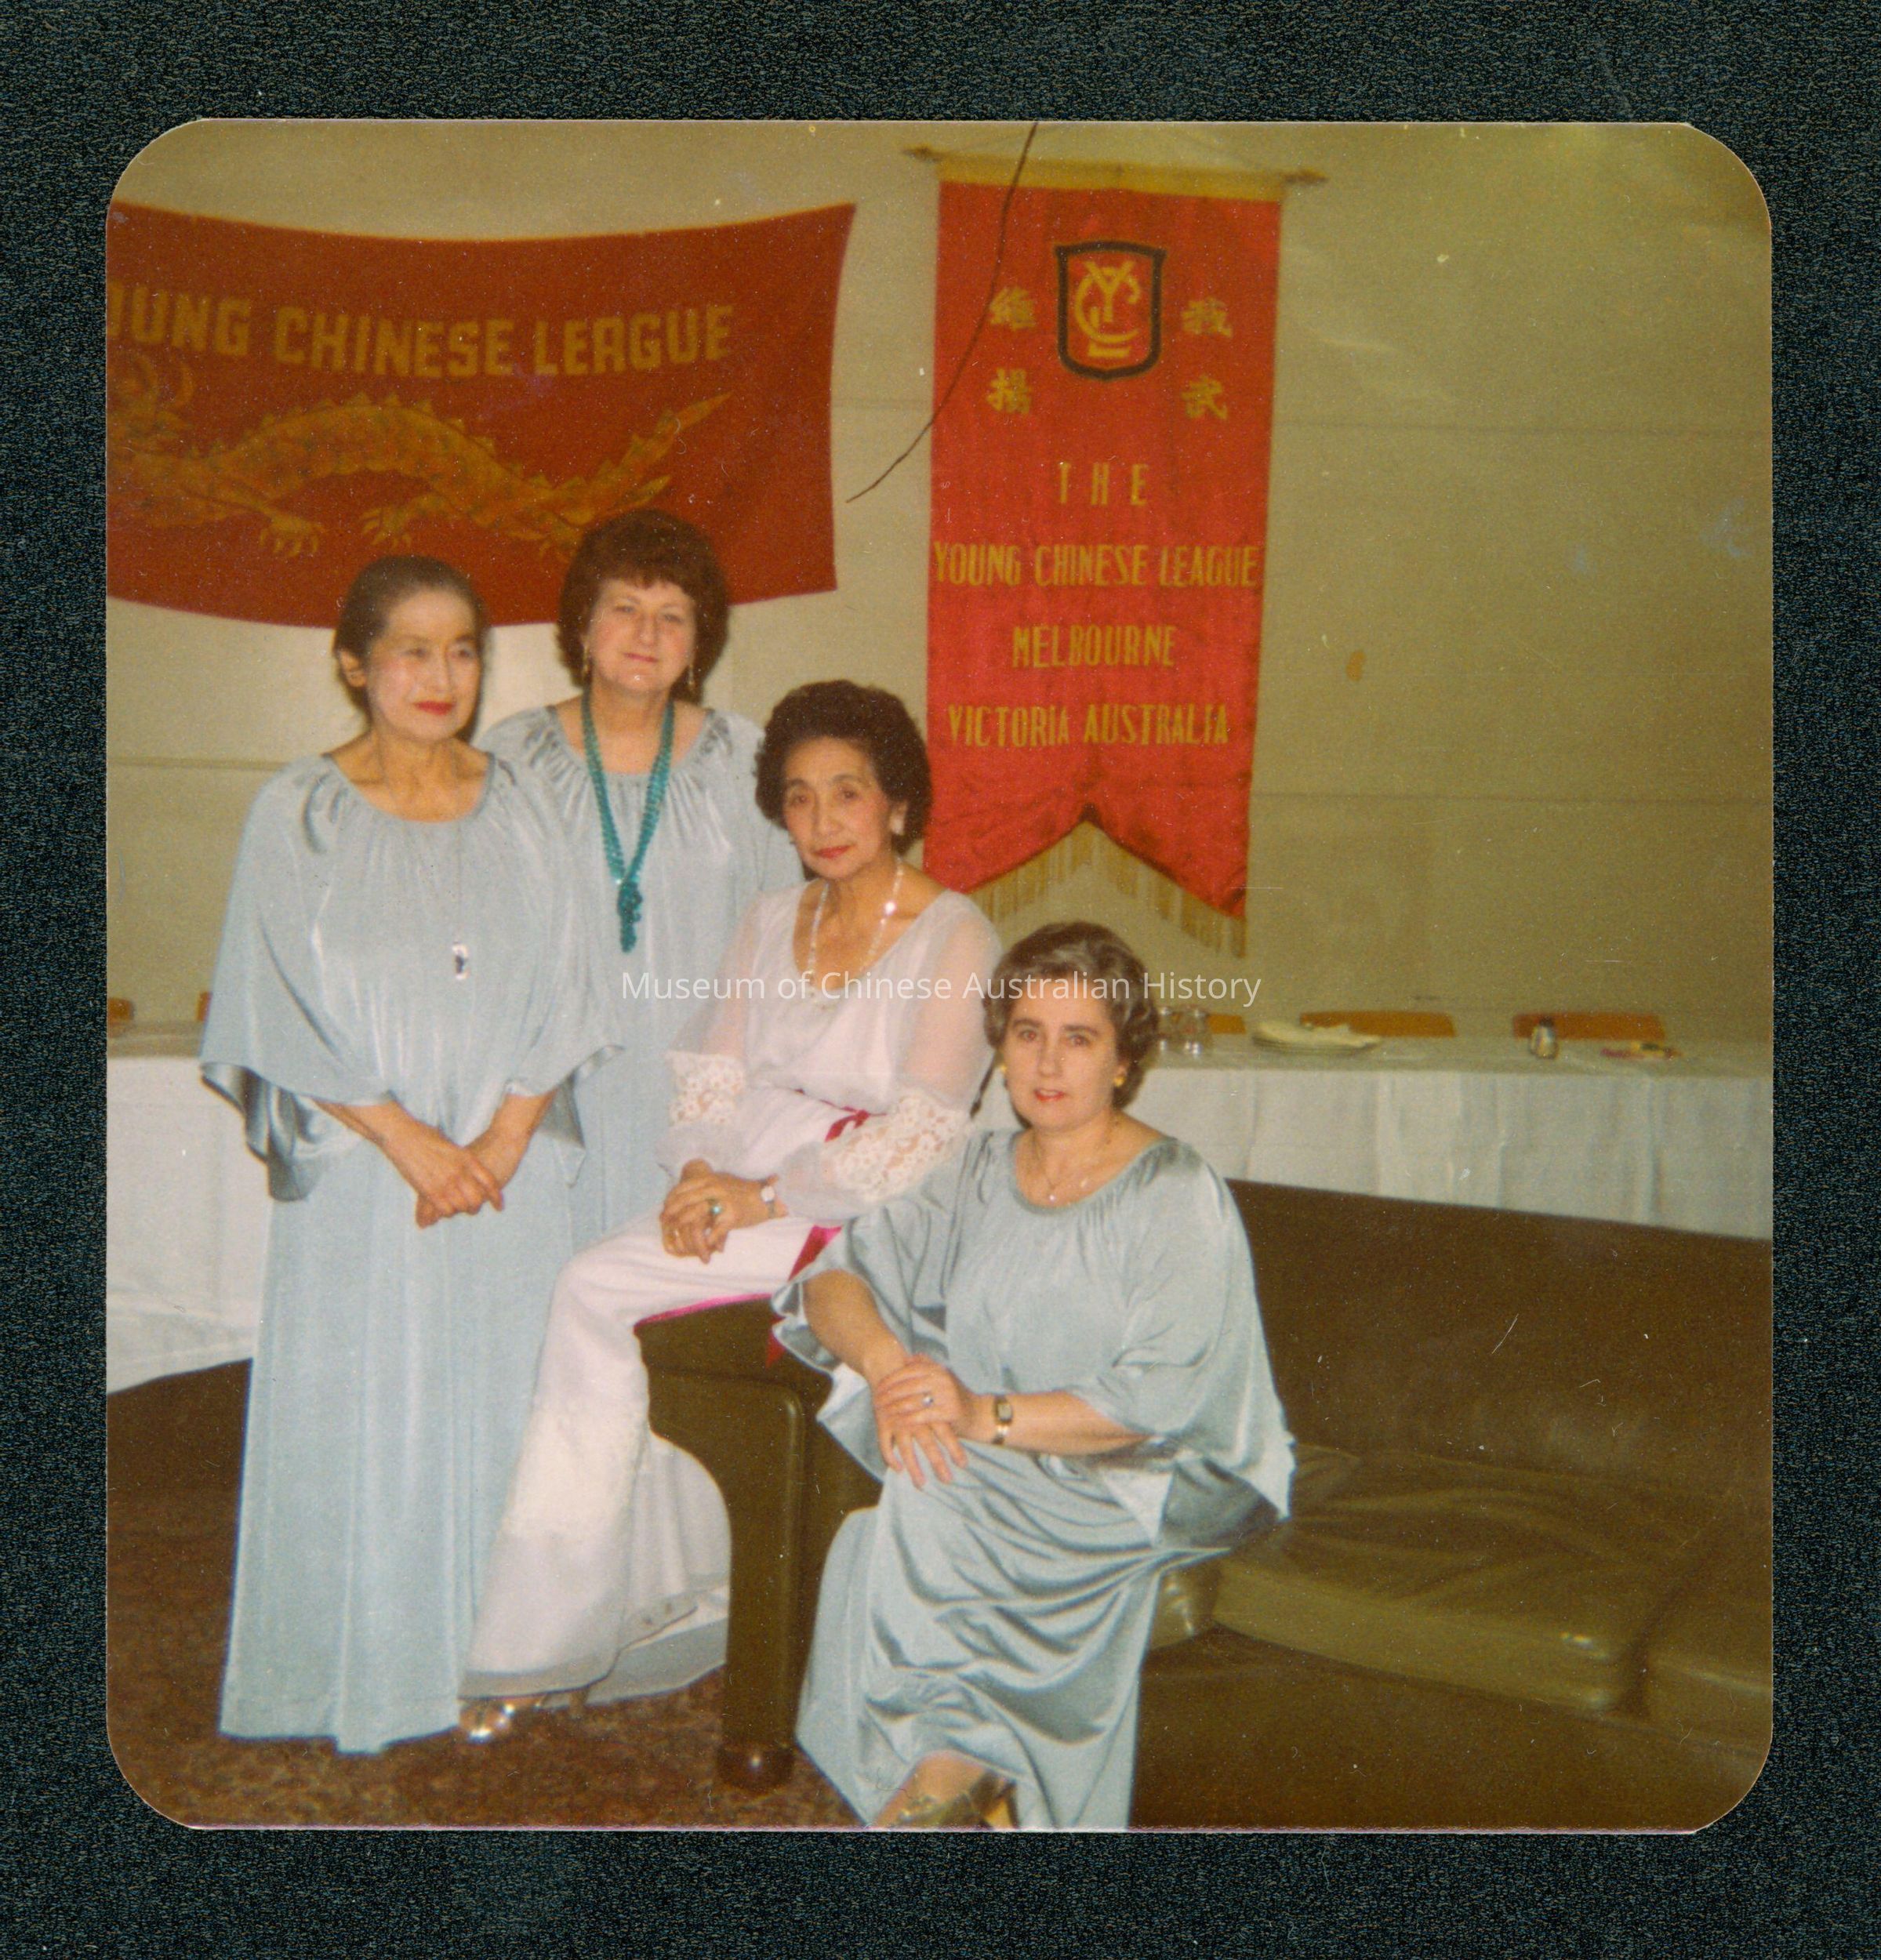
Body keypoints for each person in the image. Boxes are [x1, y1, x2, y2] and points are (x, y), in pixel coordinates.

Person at [459, 681, 1003, 1730]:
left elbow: (921, 1134)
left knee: (593, 1290)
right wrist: (696, 1176)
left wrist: (759, 1195)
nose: (821, 820)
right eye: (797, 797)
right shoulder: (767, 920)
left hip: (863, 1212)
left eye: (847, 792)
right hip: (743, 1188)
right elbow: (710, 1074)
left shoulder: (956, 934)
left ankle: (552, 1633)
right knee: (592, 1290)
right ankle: (634, 1601)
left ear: (897, 802)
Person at [199, 556, 612, 1754]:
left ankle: (508, 1661)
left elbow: (574, 978)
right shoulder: (299, 811)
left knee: (507, 1406)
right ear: (353, 665)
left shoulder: (529, 803)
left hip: (504, 1176)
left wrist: (499, 1138)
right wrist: (413, 1143)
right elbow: (272, 1000)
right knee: (368, 1413)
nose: (442, 676)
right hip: (367, 1177)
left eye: (463, 650)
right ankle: (374, 1671)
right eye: (412, 651)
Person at [777, 923, 1295, 1829]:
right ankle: (962, 1787)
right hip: (1000, 1449)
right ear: (1000, 1046)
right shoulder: (973, 1169)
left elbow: (1153, 1400)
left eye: (1078, 1038)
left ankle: (945, 1788)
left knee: (927, 1491)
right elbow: (831, 1281)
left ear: (1123, 1063)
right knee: (920, 1482)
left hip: (1150, 1470)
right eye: (1027, 1033)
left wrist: (980, 1413)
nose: (1047, 1063)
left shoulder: (1173, 1191)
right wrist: (892, 1369)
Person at [481, 510, 801, 1244]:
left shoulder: (745, 757)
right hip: (550, 1090)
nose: (646, 634)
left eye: (672, 616)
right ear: (583, 625)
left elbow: (785, 945)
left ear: (698, 641)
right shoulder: (511, 757)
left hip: (703, 1093)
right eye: (624, 608)